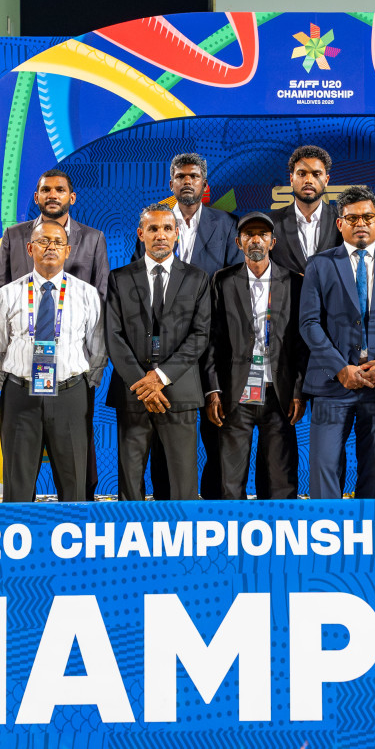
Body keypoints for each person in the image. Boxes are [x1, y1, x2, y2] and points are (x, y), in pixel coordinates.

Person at [298, 185, 375, 499]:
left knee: (373, 471)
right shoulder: (320, 264)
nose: (360, 223)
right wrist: (340, 368)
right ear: (340, 223)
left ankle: (367, 528)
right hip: (332, 384)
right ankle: (326, 528)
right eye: (352, 218)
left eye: (367, 217)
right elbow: (309, 324)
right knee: (324, 468)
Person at [135, 152, 238, 499]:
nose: (187, 181)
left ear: (204, 184)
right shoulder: (155, 224)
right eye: (180, 176)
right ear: (171, 184)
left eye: (193, 176)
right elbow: (140, 285)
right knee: (166, 434)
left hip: (214, 343)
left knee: (218, 430)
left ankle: (212, 508)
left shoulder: (227, 224)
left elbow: (234, 283)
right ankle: (165, 505)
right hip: (164, 348)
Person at [0, 218, 107, 502]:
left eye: (58, 242)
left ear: (68, 250)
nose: (51, 247)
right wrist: (13, 384)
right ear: (30, 249)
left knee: (75, 487)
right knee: (17, 487)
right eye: (43, 241)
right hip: (21, 397)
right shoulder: (8, 293)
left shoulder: (87, 294)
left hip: (70, 395)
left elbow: (98, 348)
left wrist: (81, 384)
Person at [107, 204, 213, 500]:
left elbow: (200, 335)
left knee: (183, 486)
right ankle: (130, 531)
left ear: (177, 234)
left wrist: (160, 377)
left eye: (167, 228)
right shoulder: (119, 278)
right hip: (133, 393)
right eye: (153, 228)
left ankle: (184, 532)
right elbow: (113, 335)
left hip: (179, 392)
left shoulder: (197, 278)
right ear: (141, 234)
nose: (160, 235)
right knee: (130, 487)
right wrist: (143, 384)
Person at [203, 212, 306, 499]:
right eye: (249, 235)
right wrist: (213, 390)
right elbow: (211, 340)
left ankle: (279, 527)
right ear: (239, 242)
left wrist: (298, 391)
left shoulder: (294, 282)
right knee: (229, 483)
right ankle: (228, 529)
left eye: (263, 234)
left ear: (273, 242)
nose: (256, 239)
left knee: (281, 482)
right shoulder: (222, 280)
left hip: (279, 393)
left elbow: (301, 343)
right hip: (235, 393)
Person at [0, 168, 111, 299]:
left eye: (60, 190)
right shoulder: (13, 235)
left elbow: (102, 294)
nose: (52, 196)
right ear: (36, 197)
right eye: (45, 190)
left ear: (72, 198)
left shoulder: (94, 239)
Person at [271, 144, 342, 274]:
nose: (308, 180)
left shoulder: (342, 221)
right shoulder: (271, 223)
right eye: (302, 174)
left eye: (316, 174)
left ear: (326, 180)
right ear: (291, 179)